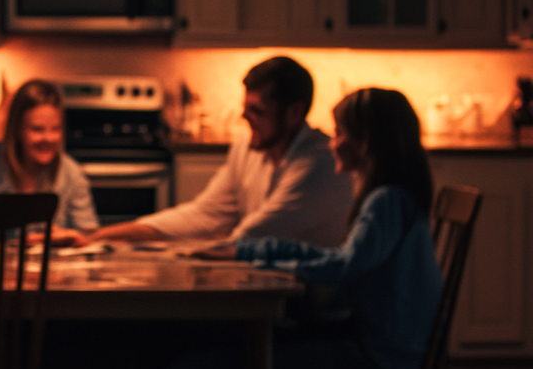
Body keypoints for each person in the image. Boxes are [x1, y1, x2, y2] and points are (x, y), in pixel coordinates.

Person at [162, 87, 444, 369]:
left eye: (340, 133)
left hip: (378, 359)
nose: (332, 142)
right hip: (383, 349)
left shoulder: (384, 201)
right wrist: (249, 251)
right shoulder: (392, 198)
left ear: (366, 143)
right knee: (218, 360)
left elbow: (342, 267)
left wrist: (260, 260)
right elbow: (340, 257)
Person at [90, 56, 352, 247]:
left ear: (294, 112)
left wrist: (181, 255)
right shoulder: (248, 150)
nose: (244, 117)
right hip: (270, 285)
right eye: (245, 107)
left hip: (313, 303)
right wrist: (104, 235)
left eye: (256, 111)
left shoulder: (319, 162)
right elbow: (204, 214)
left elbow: (253, 235)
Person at [0, 79, 99, 246]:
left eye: (56, 129)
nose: (48, 138)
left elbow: (90, 237)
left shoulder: (71, 173)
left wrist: (73, 237)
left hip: (54, 270)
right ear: (17, 129)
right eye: (37, 129)